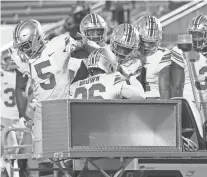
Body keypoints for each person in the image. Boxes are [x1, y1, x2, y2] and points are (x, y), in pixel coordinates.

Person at [11, 19, 88, 176]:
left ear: (37, 38)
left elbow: (20, 88)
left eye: (26, 45)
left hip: (60, 111)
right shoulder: (58, 44)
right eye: (22, 47)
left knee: (64, 163)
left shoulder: (59, 45)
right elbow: (19, 87)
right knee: (46, 163)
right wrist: (22, 115)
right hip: (48, 112)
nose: (24, 50)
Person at [159, 15, 207, 119]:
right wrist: (177, 113)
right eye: (193, 34)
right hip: (188, 102)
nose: (196, 38)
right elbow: (176, 88)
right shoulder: (182, 51)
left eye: (199, 34)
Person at [69, 47, 145, 100]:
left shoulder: (74, 85)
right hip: (106, 121)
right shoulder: (114, 77)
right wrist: (130, 76)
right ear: (110, 64)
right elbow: (141, 96)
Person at [133, 15, 169, 99]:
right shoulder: (130, 53)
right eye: (144, 42)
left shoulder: (163, 54)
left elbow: (167, 87)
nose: (147, 46)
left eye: (151, 43)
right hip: (133, 100)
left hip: (156, 100)